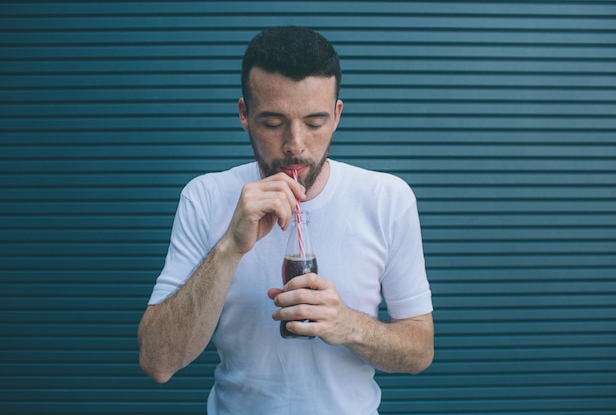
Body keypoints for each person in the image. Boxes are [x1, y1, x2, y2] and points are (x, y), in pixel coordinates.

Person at [138, 25, 434, 414]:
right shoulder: (205, 197)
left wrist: (348, 325)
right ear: (244, 114)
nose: (295, 144)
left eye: (314, 123)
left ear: (337, 115)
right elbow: (158, 362)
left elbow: (420, 351)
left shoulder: (387, 199)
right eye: (273, 123)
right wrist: (229, 248)